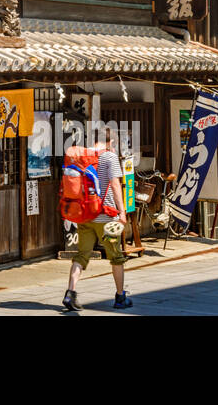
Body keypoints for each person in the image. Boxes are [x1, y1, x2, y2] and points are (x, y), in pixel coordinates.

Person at [63, 126, 130, 311]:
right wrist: (122, 212)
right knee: (116, 257)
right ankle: (120, 297)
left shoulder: (82, 156)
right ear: (112, 142)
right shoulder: (109, 157)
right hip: (106, 218)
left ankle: (70, 293)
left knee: (81, 255)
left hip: (84, 216)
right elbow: (115, 185)